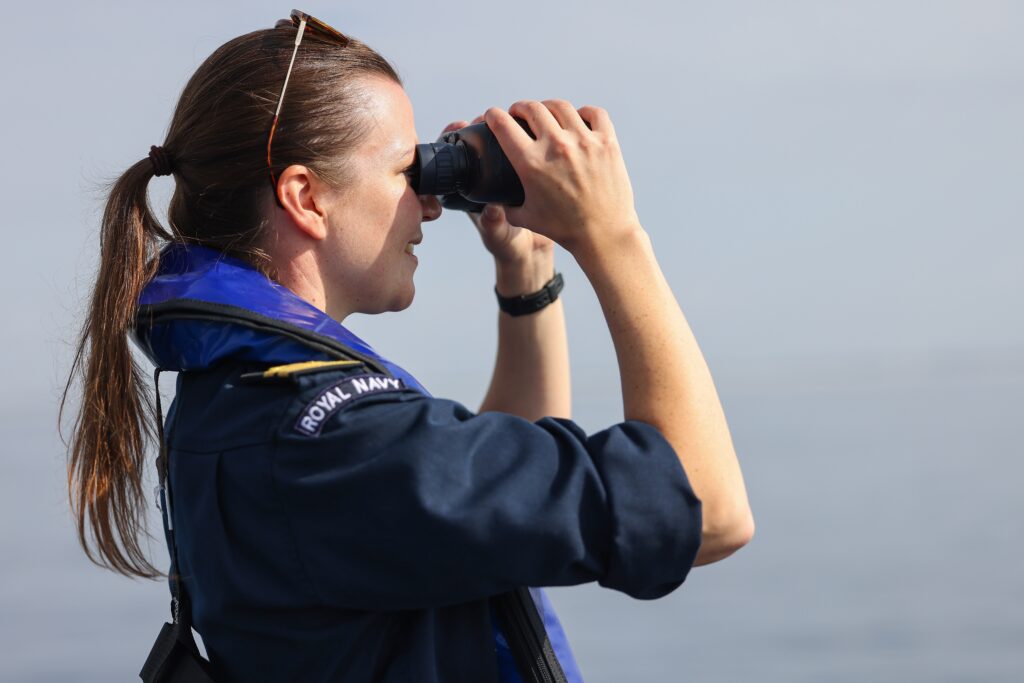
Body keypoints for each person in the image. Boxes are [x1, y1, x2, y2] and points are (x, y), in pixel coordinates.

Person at [62, 10, 753, 683]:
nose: (428, 203)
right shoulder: (326, 438)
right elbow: (708, 508)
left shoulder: (246, 397)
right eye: (406, 171)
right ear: (305, 197)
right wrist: (613, 235)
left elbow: (488, 490)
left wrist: (527, 274)